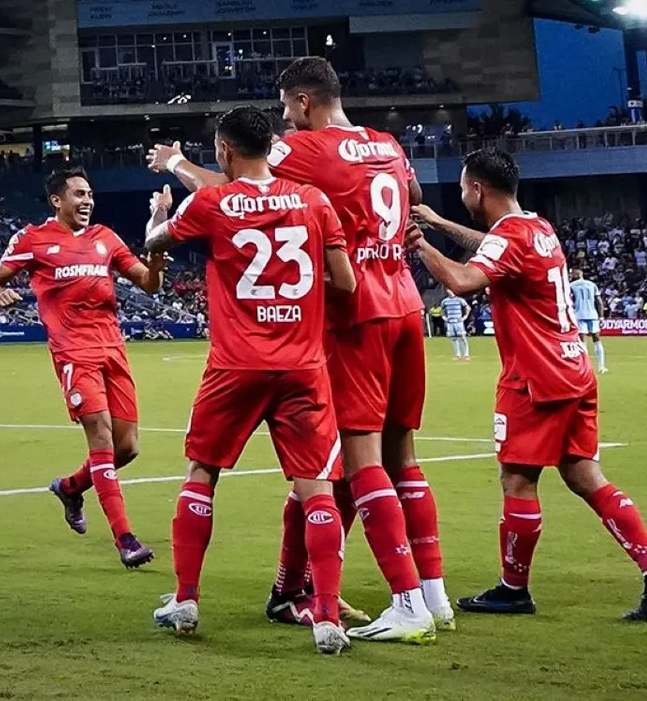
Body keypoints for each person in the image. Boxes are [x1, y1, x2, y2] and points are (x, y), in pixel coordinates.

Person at [147, 56, 447, 642]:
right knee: (395, 458)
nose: (285, 117)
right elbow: (410, 194)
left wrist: (176, 164)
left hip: (347, 322)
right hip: (403, 304)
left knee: (355, 463)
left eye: (287, 105)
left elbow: (235, 189)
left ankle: (407, 602)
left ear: (304, 101)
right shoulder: (385, 144)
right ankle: (415, 599)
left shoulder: (304, 152)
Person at [407, 148, 647, 621]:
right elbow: (494, 245)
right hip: (573, 367)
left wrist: (421, 244)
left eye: (462, 189)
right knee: (584, 476)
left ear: (477, 189)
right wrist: (440, 223)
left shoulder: (510, 237)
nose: (462, 196)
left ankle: (513, 589)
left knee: (518, 479)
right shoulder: (536, 228)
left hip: (535, 377)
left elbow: (461, 281)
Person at [144, 106, 357, 655]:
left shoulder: (213, 203)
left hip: (234, 366)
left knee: (202, 473)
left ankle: (186, 599)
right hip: (302, 367)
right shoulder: (314, 201)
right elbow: (345, 282)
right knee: (317, 489)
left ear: (224, 150)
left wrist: (158, 214)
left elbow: (156, 244)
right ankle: (326, 617)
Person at [0, 167, 167, 569]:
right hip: (73, 351)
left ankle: (70, 488)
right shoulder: (32, 239)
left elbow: (148, 284)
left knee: (128, 448)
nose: (88, 201)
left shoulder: (105, 238)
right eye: (79, 194)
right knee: (100, 435)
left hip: (113, 349)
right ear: (57, 200)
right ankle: (125, 539)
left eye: (90, 195)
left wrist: (155, 264)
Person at [570, 268, 607, 373]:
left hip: (579, 315)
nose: (571, 276)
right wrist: (601, 317)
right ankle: (601, 366)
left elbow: (569, 301)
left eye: (572, 274)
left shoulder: (571, 286)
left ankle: (586, 368)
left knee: (582, 342)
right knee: (597, 339)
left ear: (576, 275)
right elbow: (599, 301)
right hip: (592, 314)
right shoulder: (592, 284)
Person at [440, 290, 472, 361]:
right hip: (450, 322)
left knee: (462, 337)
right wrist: (444, 317)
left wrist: (465, 316)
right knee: (453, 338)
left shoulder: (460, 299)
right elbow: (442, 310)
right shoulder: (445, 301)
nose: (448, 291)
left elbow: (468, 308)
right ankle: (457, 355)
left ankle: (466, 354)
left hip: (458, 322)